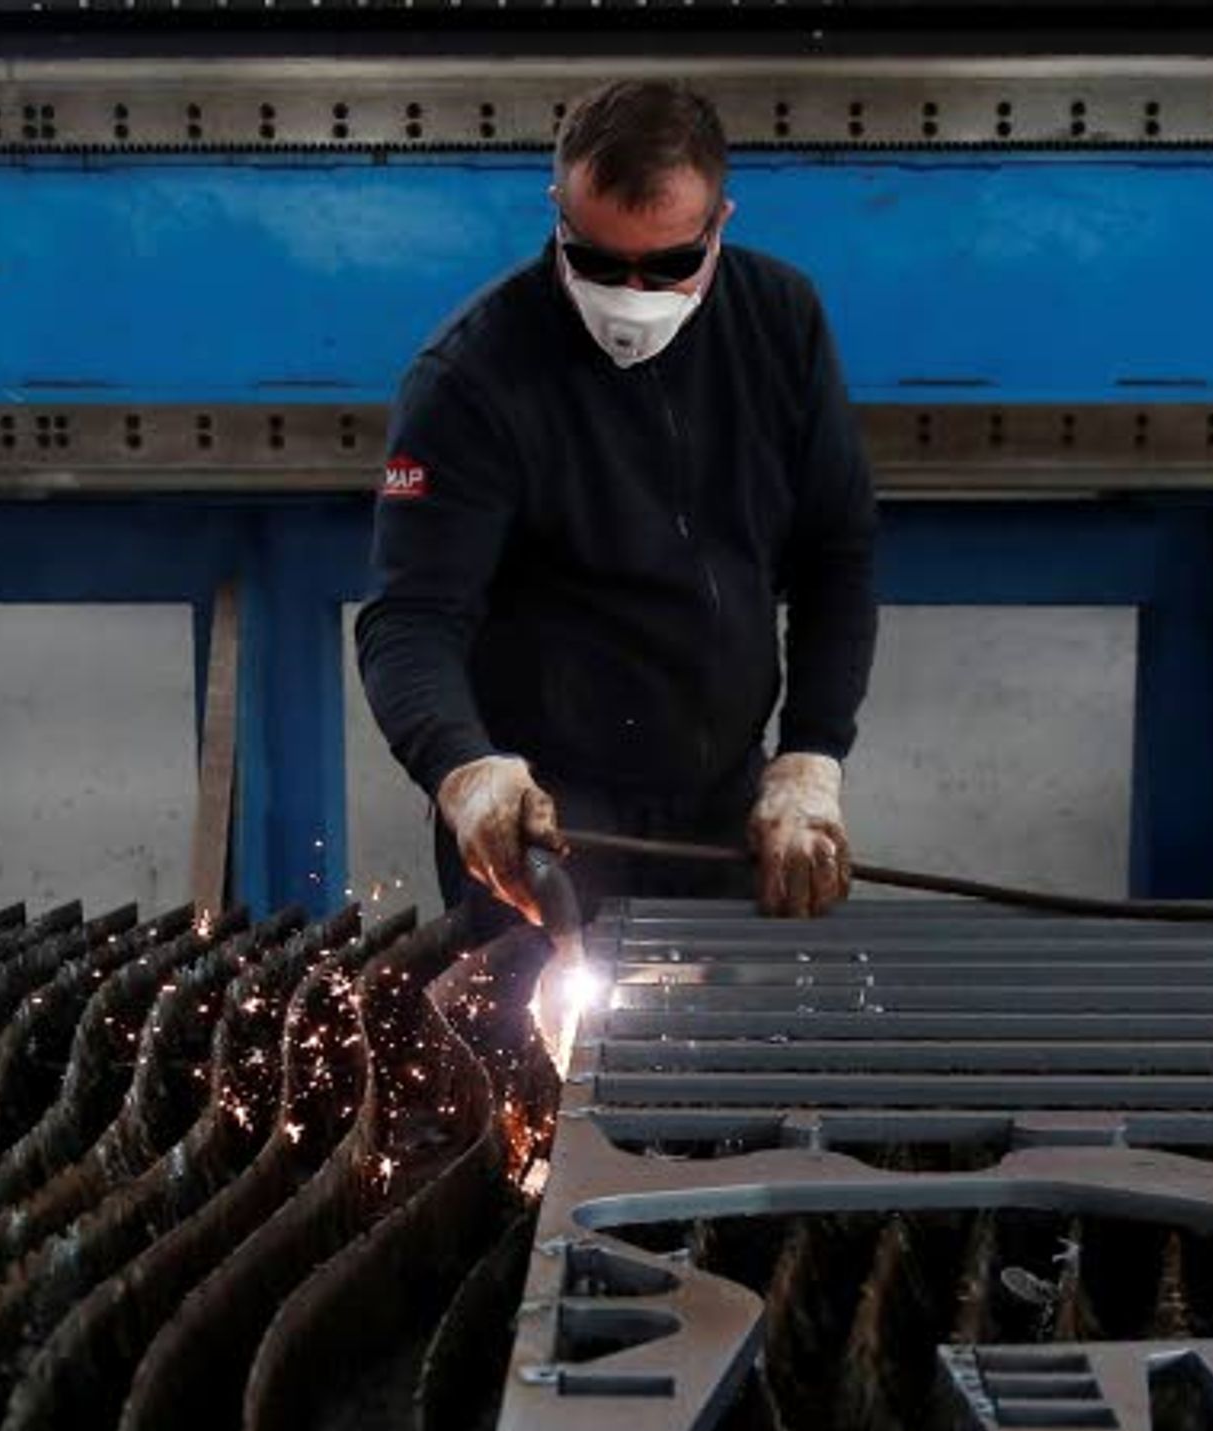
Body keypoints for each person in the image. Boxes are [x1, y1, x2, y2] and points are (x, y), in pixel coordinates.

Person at [355, 78, 877, 939]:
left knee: (720, 1063)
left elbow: (838, 552)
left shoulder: (782, 324)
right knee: (531, 1056)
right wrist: (467, 772)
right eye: (598, 261)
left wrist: (812, 756)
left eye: (669, 265)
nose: (631, 295)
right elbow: (409, 617)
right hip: (549, 823)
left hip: (723, 809)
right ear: (558, 210)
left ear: (722, 222)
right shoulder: (472, 377)